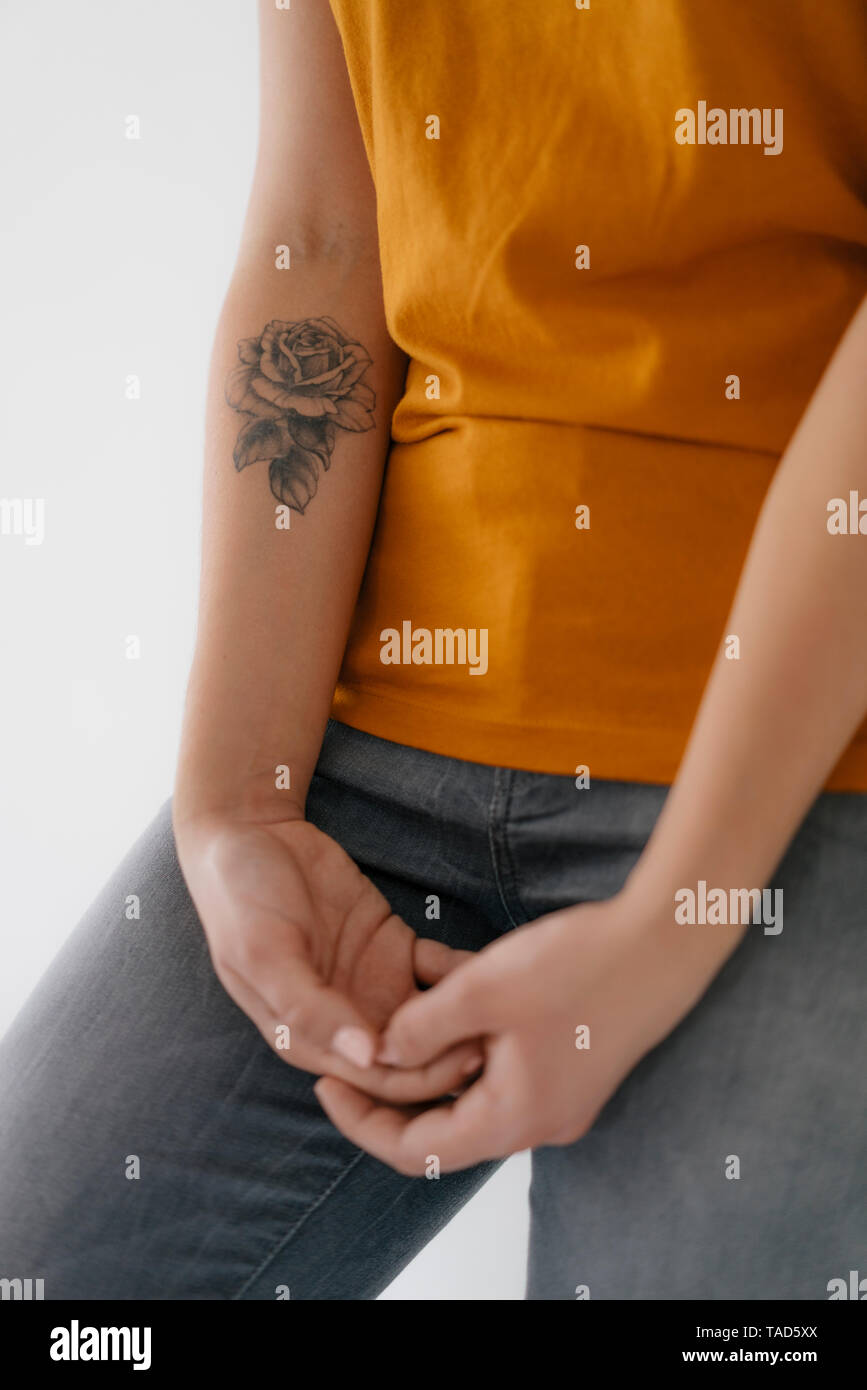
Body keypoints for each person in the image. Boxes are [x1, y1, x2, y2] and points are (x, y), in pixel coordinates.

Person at [1, 0, 866, 1301]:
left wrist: (664, 929)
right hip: (372, 751)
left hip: (802, 766)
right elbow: (319, 235)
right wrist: (237, 806)